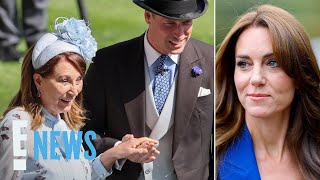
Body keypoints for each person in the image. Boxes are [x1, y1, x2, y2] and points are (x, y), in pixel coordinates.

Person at [0, 17, 159, 179]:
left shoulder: (67, 124)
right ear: (38, 81)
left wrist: (116, 153)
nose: (74, 90)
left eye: (78, 80)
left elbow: (83, 176)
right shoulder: (18, 124)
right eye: (64, 81)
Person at [82, 0, 214, 179]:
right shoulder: (107, 63)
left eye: (186, 23)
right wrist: (118, 149)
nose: (180, 34)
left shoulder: (211, 61)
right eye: (169, 23)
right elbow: (83, 131)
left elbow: (224, 134)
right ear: (147, 16)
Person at [216, 4, 320, 180]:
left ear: (299, 75)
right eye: (244, 64)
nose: (256, 79)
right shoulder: (213, 158)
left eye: (273, 63)